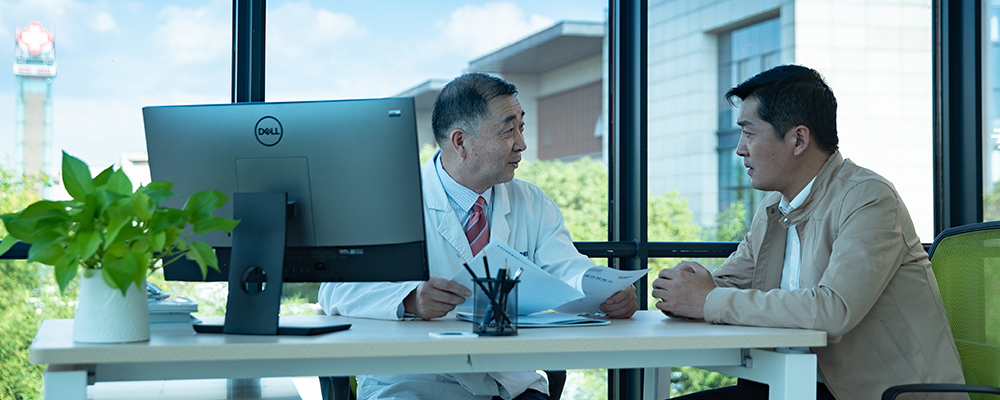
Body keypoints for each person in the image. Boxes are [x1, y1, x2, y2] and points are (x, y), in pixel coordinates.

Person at [651, 65, 965, 400]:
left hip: (876, 395)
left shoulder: (869, 197)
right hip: (788, 383)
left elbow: (833, 310)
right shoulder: (775, 207)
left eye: (749, 133)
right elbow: (722, 287)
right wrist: (680, 294)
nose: (740, 149)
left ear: (798, 139)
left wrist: (707, 300)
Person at [319, 72, 638, 400]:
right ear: (461, 142)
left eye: (521, 127)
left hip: (509, 381)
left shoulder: (532, 202)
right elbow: (335, 290)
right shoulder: (389, 199)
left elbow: (567, 270)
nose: (522, 144)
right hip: (415, 380)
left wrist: (607, 293)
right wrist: (410, 299)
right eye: (508, 130)